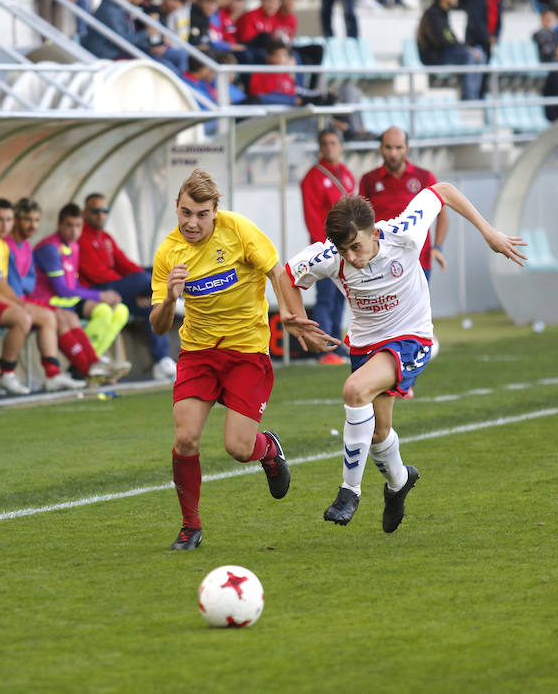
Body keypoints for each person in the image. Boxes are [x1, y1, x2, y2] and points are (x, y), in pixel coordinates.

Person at [280, 182, 526, 531]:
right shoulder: (332, 256)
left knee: (354, 391)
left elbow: (442, 190)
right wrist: (297, 322)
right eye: (343, 250)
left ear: (372, 231)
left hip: (411, 338)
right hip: (366, 345)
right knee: (378, 433)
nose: (350, 257)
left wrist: (488, 232)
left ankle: (349, 491)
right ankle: (398, 483)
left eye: (355, 246)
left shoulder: (404, 232)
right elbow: (285, 274)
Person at [149, 168, 330, 550]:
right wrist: (169, 299)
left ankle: (267, 449)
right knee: (185, 438)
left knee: (236, 446)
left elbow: (278, 272)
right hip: (198, 353)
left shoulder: (239, 230)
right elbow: (157, 325)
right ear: (176, 209)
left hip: (246, 350)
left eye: (201, 214)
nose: (192, 222)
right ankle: (190, 526)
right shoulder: (168, 252)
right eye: (185, 213)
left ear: (216, 210)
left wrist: (292, 316)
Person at [0, 198, 87, 396]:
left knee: (46, 316)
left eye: (8, 220)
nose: (5, 225)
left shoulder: (1, 246)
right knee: (22, 317)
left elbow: (2, 285)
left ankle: (52, 374)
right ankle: (6, 375)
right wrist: (18, 308)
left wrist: (19, 302)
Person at [5, 198, 111, 384]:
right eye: (27, 219)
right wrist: (99, 295)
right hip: (24, 300)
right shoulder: (19, 246)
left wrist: (22, 286)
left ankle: (93, 364)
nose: (33, 225)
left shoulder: (28, 246)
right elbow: (55, 289)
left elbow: (28, 282)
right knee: (56, 318)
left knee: (72, 317)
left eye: (36, 220)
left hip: (26, 298)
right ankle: (81, 371)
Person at [78, 193, 178, 382]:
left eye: (105, 210)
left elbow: (125, 264)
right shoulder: (81, 236)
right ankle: (177, 298)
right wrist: (137, 286)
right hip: (99, 291)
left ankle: (161, 360)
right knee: (143, 279)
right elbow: (97, 274)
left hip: (120, 291)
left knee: (153, 302)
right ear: (85, 213)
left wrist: (142, 286)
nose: (101, 215)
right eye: (95, 210)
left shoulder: (105, 237)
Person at [32, 203, 131, 368]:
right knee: (103, 311)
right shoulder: (51, 248)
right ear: (59, 225)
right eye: (69, 225)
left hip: (69, 300)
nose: (74, 231)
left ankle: (94, 360)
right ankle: (86, 365)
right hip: (52, 301)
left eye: (78, 226)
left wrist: (102, 296)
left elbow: (74, 284)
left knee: (121, 311)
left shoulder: (74, 246)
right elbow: (62, 290)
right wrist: (100, 296)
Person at [359, 127, 448, 281]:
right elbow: (360, 221)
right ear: (381, 149)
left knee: (418, 306)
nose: (393, 153)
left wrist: (438, 247)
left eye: (398, 147)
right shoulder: (368, 180)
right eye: (388, 147)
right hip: (381, 262)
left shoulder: (425, 177)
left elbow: (443, 216)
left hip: (418, 260)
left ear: (407, 149)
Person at [300, 128, 357, 365]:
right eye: (325, 143)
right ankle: (324, 348)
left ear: (340, 146)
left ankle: (336, 343)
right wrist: (324, 246)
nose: (330, 147)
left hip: (347, 247)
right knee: (325, 296)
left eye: (334, 142)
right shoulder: (312, 178)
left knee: (341, 295)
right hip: (326, 248)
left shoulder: (346, 174)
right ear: (320, 147)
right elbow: (313, 217)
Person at [416, 0, 483, 101]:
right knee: (469, 56)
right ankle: (469, 98)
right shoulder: (433, 14)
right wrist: (465, 49)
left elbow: (451, 38)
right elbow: (441, 41)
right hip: (436, 57)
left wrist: (466, 47)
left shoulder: (443, 13)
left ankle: (475, 94)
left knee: (479, 54)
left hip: (447, 52)